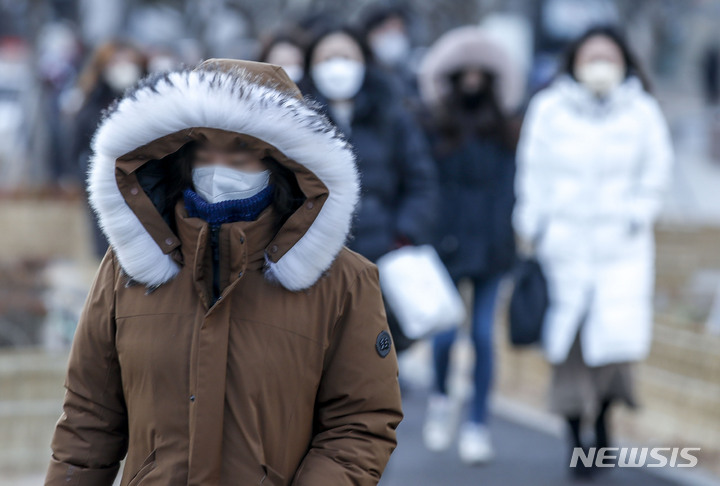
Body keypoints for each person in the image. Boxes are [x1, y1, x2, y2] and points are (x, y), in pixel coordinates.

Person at [44, 59, 403, 486]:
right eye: (203, 149)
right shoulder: (127, 269)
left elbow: (359, 422)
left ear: (281, 162)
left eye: (241, 151)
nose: (219, 166)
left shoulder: (342, 281)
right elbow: (89, 418)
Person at [513, 26, 673, 478]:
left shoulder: (641, 112)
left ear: (624, 60)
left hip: (621, 249)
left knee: (611, 349)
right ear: (575, 61)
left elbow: (657, 169)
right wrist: (532, 225)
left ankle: (602, 425)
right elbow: (532, 170)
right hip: (562, 246)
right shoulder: (550, 109)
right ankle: (571, 435)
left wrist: (638, 214)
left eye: (608, 55)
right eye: (591, 56)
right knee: (568, 346)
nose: (600, 64)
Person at [417, 26, 523, 465]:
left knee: (482, 336)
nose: (475, 78)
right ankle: (442, 399)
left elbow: (512, 186)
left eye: (484, 70)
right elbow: (426, 184)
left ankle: (477, 423)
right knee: (444, 337)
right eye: (467, 70)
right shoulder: (432, 124)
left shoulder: (506, 128)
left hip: (494, 246)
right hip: (447, 244)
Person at [303, 26, 438, 352]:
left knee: (378, 354)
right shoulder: (296, 116)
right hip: (316, 258)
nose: (338, 66)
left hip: (382, 254)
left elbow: (421, 181)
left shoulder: (392, 116)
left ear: (364, 61)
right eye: (328, 57)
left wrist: (404, 234)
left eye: (346, 56)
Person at [69, 40, 148, 258]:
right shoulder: (91, 104)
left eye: (128, 60)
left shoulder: (152, 100)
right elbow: (77, 149)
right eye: (115, 61)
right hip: (106, 189)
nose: (123, 66)